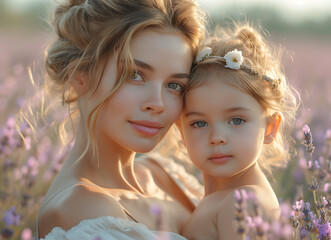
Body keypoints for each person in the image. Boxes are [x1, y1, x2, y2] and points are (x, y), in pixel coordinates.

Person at [36, 0, 206, 239]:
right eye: (135, 75)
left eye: (174, 85)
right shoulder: (82, 209)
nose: (157, 103)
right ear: (80, 74)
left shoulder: (163, 174)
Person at [179, 23, 299, 240]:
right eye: (199, 123)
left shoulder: (243, 202)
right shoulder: (223, 199)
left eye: (236, 120)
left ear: (270, 127)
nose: (217, 137)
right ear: (181, 133)